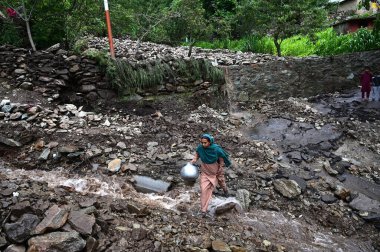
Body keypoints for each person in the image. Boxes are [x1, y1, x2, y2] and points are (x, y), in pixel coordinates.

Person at [190, 133, 231, 217]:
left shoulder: (216, 149)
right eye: (202, 142)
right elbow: (197, 154)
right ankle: (203, 210)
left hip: (216, 171)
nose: (203, 144)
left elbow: (221, 158)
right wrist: (193, 160)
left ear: (210, 142)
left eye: (205, 143)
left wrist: (221, 167)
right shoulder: (200, 148)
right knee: (204, 189)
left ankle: (225, 190)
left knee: (221, 181)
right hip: (205, 171)